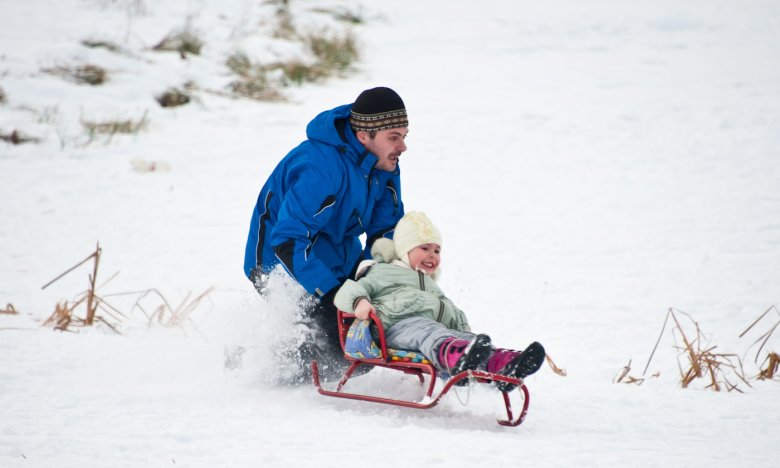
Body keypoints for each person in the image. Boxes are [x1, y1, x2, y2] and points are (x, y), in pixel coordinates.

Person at [243, 87, 409, 382]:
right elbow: (288, 240)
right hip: (279, 264)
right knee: (341, 346)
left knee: (371, 335)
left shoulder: (383, 163)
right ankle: (253, 367)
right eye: (393, 138)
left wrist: (371, 281)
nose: (402, 147)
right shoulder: (320, 168)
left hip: (335, 257)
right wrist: (335, 296)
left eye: (404, 136)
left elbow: (386, 232)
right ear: (364, 136)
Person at [334, 212, 546, 390]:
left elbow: (448, 310)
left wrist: (465, 330)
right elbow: (349, 290)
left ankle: (504, 364)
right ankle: (457, 359)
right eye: (424, 248)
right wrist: (360, 301)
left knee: (458, 336)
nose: (432, 255)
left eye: (437, 250)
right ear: (405, 250)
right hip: (392, 329)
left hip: (427, 331)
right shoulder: (382, 271)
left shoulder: (430, 285)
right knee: (428, 331)